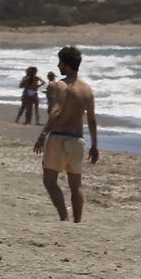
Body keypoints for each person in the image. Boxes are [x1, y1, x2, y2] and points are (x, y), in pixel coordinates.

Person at [32, 46, 98, 223]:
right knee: (76, 184)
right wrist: (95, 145)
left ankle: (64, 217)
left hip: (59, 137)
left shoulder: (62, 85)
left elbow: (57, 110)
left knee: (50, 181)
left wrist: (43, 134)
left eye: (60, 62)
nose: (58, 66)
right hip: (78, 140)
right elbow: (92, 119)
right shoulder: (87, 89)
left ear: (67, 65)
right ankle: (77, 221)